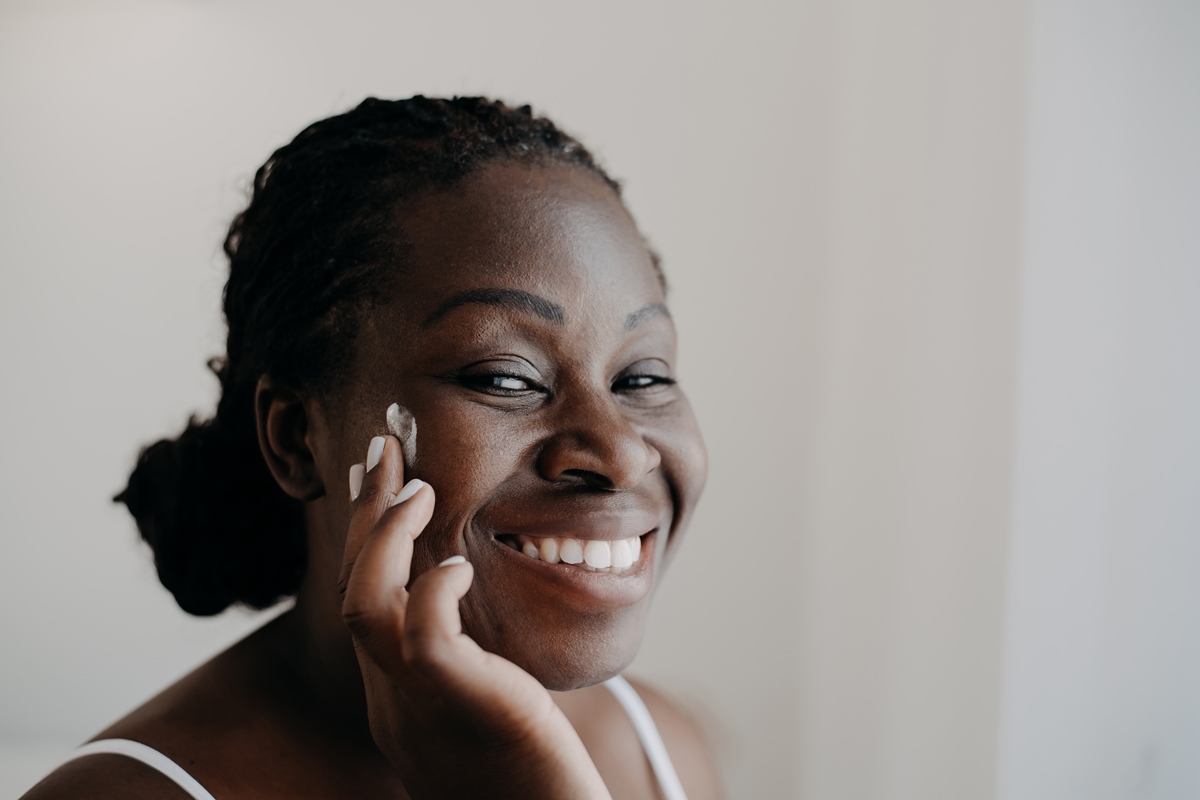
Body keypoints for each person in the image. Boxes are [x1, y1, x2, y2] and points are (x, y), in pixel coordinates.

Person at [23, 95, 718, 799]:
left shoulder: (661, 747)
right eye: (506, 378)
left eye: (642, 377)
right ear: (298, 438)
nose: (622, 453)